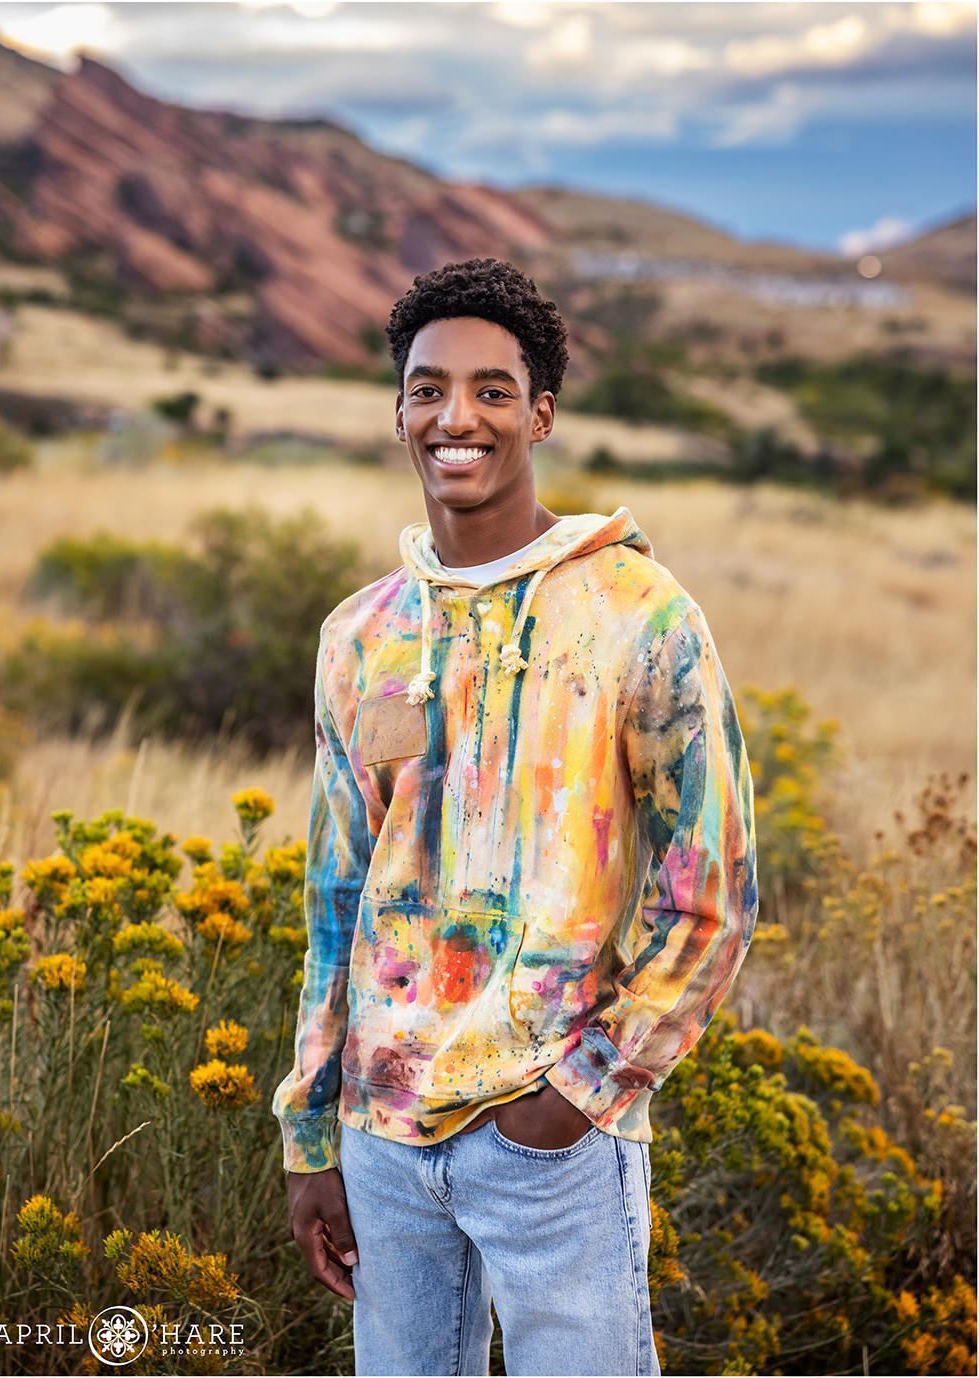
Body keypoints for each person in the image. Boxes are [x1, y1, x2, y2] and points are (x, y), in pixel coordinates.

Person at [273, 257, 758, 1378]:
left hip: (549, 1143)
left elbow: (713, 894)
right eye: (426, 386)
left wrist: (581, 1091)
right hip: (383, 1141)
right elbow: (335, 901)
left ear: (539, 413)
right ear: (399, 410)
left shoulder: (637, 615)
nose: (457, 416)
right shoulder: (362, 635)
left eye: (493, 390)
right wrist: (313, 1131)